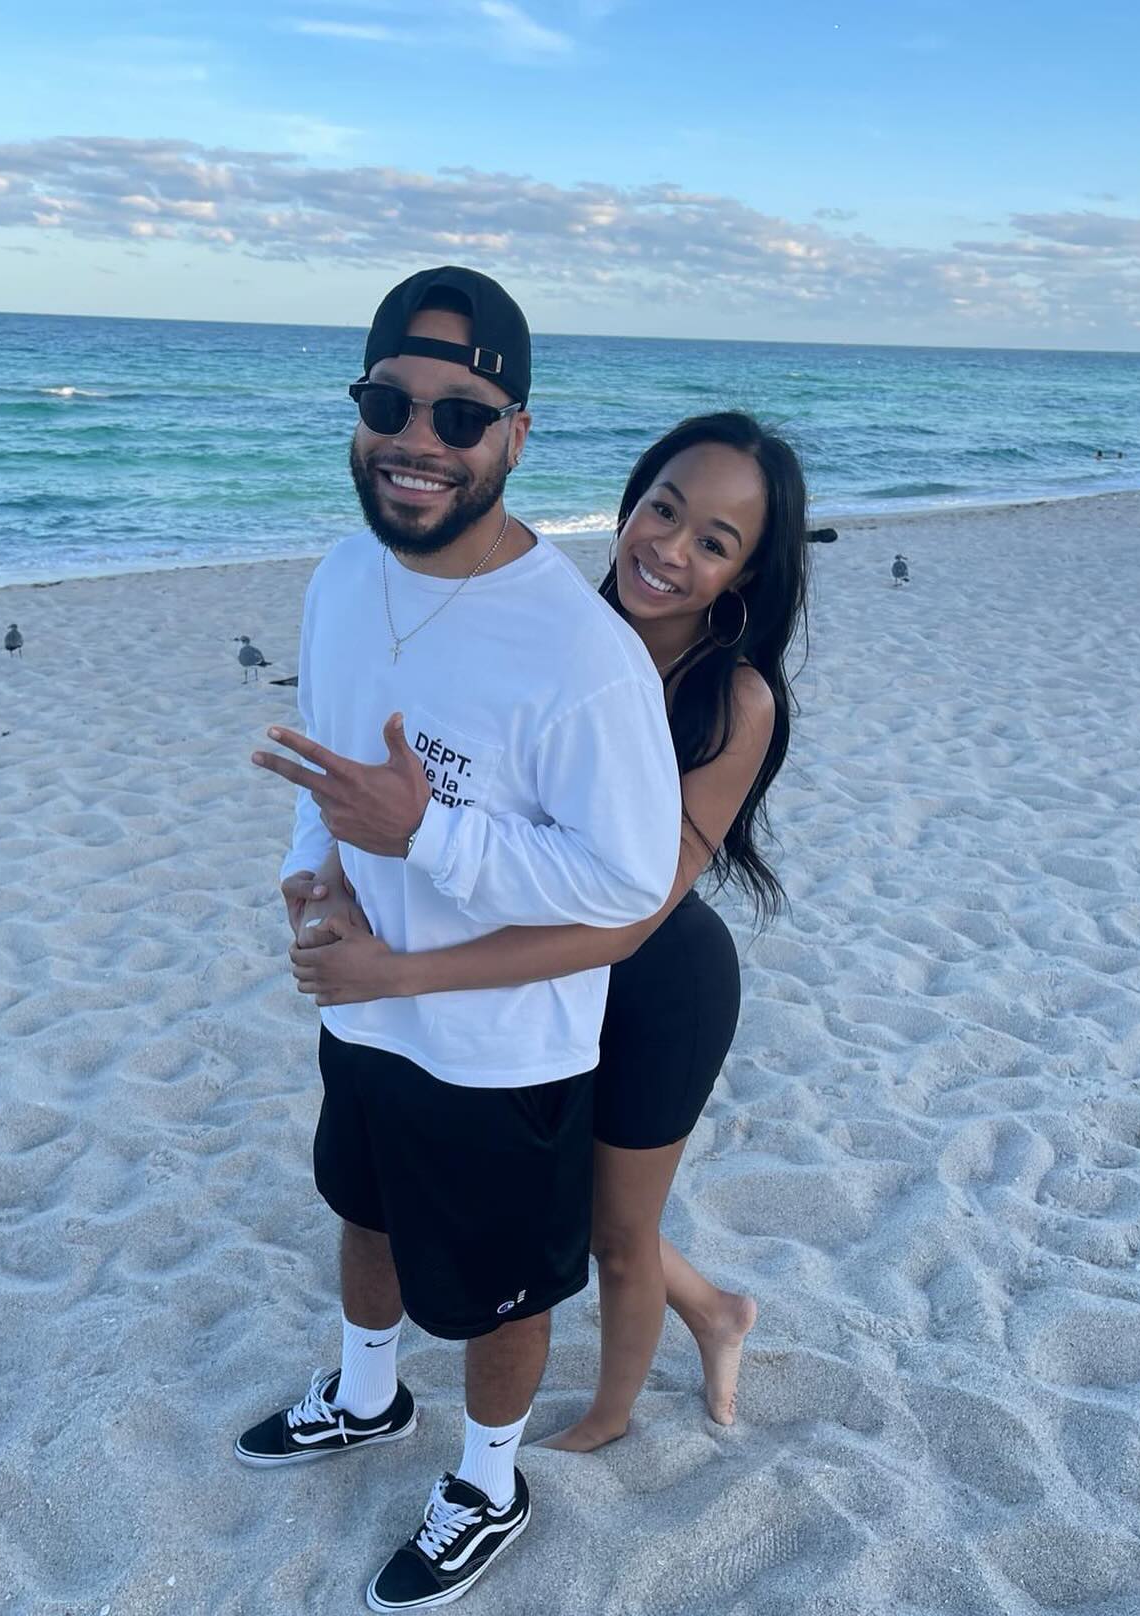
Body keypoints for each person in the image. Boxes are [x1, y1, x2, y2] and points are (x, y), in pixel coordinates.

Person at [236, 266, 682, 1613]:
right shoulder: (338, 572)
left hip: (500, 1049)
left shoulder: (580, 653)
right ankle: (368, 1399)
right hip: (358, 1002)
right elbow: (327, 773)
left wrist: (422, 836)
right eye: (389, 400)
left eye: (460, 414)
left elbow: (620, 884)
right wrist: (309, 876)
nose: (417, 439)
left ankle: (489, 1479)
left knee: (497, 1295)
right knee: (359, 1211)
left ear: (515, 437)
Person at [293, 411, 810, 1453]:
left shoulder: (732, 698)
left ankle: (609, 1416)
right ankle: (713, 1304)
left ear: (745, 573)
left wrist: (396, 971)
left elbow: (622, 920)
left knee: (614, 1227)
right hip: (524, 953)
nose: (668, 548)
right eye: (661, 509)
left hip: (654, 974)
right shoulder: (557, 626)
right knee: (552, 1191)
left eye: (714, 539)